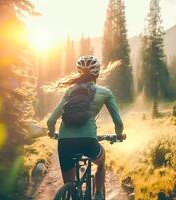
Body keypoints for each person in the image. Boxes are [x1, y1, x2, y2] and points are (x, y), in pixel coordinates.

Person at [47, 55, 125, 200]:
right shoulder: (105, 92)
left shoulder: (70, 91)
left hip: (64, 143)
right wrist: (119, 135)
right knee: (101, 162)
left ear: (79, 72)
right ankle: (99, 194)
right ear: (97, 73)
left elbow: (51, 120)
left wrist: (52, 132)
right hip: (88, 141)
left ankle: (70, 191)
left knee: (70, 187)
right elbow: (118, 123)